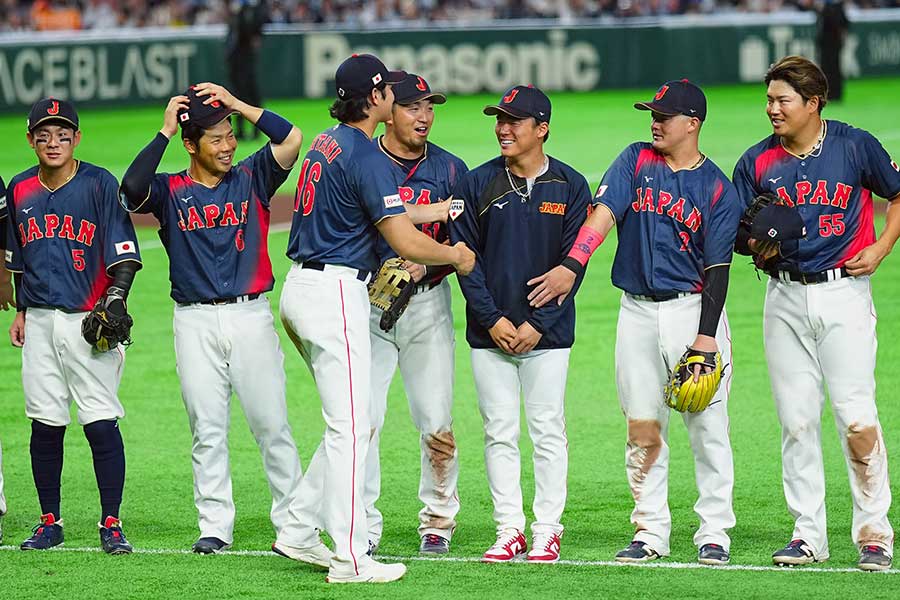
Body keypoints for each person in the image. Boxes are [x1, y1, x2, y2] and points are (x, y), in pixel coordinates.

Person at [278, 53, 475, 584]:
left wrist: (433, 212)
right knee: (350, 427)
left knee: (356, 418)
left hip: (300, 287)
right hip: (338, 293)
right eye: (389, 89)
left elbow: (366, 206)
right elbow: (403, 241)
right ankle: (350, 557)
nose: (396, 97)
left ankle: (298, 526)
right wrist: (455, 255)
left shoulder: (329, 140)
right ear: (377, 98)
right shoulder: (366, 154)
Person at [527, 80, 742, 565]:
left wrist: (706, 337)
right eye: (652, 113)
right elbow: (602, 215)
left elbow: (718, 271)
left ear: (693, 123)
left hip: (693, 313)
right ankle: (650, 530)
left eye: (664, 115)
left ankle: (714, 530)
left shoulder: (717, 189)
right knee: (642, 426)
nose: (655, 121)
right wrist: (574, 264)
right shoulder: (635, 160)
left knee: (707, 426)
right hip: (637, 313)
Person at [118, 84, 319, 562]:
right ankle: (215, 525)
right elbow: (130, 190)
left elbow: (292, 139)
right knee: (206, 427)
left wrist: (238, 105)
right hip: (193, 323)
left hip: (251, 315)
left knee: (271, 424)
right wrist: (166, 129)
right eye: (216, 138)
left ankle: (293, 520)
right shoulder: (169, 190)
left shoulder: (251, 176)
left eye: (230, 135)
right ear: (191, 144)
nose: (228, 145)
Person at [732, 55, 899, 571]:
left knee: (855, 416)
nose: (772, 109)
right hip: (782, 299)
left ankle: (874, 533)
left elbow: (897, 194)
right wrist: (758, 247)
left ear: (813, 102)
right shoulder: (756, 161)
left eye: (782, 100)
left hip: (844, 294)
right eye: (769, 100)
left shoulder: (854, 145)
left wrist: (882, 246)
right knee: (798, 420)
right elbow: (739, 232)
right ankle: (808, 535)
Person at [448, 85, 591, 564]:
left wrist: (536, 323)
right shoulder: (476, 183)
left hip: (547, 337)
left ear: (542, 128)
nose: (502, 128)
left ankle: (547, 528)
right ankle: (509, 528)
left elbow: (575, 264)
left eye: (514, 121)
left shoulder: (571, 186)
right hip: (489, 335)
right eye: (499, 119)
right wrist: (493, 321)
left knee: (548, 429)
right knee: (499, 430)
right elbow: (465, 261)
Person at [5, 98, 142, 554]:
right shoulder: (19, 188)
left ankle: (111, 523)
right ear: (30, 140)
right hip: (40, 322)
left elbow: (123, 250)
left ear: (76, 138)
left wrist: (116, 297)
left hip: (88, 321)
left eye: (62, 134)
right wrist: (23, 310)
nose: (53, 142)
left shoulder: (99, 183)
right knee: (45, 424)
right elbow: (19, 259)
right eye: (44, 134)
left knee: (100, 421)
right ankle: (50, 521)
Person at [364, 73, 468, 556]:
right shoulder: (364, 161)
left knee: (436, 420)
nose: (424, 116)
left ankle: (439, 519)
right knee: (362, 419)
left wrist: (425, 264)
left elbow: (462, 243)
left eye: (430, 107)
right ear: (388, 110)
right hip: (368, 303)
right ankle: (361, 520)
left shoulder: (450, 169)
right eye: (412, 107)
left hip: (427, 306)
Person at [226, 0, 267, 140]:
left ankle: (255, 130)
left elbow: (253, 29)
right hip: (237, 62)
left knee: (249, 96)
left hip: (245, 61)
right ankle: (241, 130)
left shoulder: (249, 11)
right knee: (239, 96)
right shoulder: (241, 12)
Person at [817, 0, 849, 102]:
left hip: (832, 44)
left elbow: (844, 25)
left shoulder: (832, 8)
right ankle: (831, 94)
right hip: (827, 45)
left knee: (832, 69)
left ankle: (833, 94)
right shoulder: (832, 7)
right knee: (829, 70)